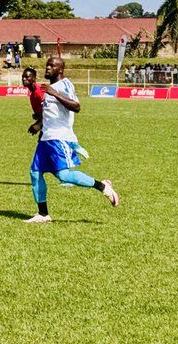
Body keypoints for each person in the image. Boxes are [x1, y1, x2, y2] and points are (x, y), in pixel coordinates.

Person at [24, 57, 119, 224]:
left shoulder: (64, 84)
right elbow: (51, 114)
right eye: (47, 65)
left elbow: (76, 106)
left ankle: (102, 186)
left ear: (60, 70)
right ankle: (43, 214)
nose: (47, 68)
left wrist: (55, 94)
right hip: (46, 138)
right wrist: (39, 125)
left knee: (64, 176)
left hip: (60, 137)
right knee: (35, 173)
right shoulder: (48, 88)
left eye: (51, 65)